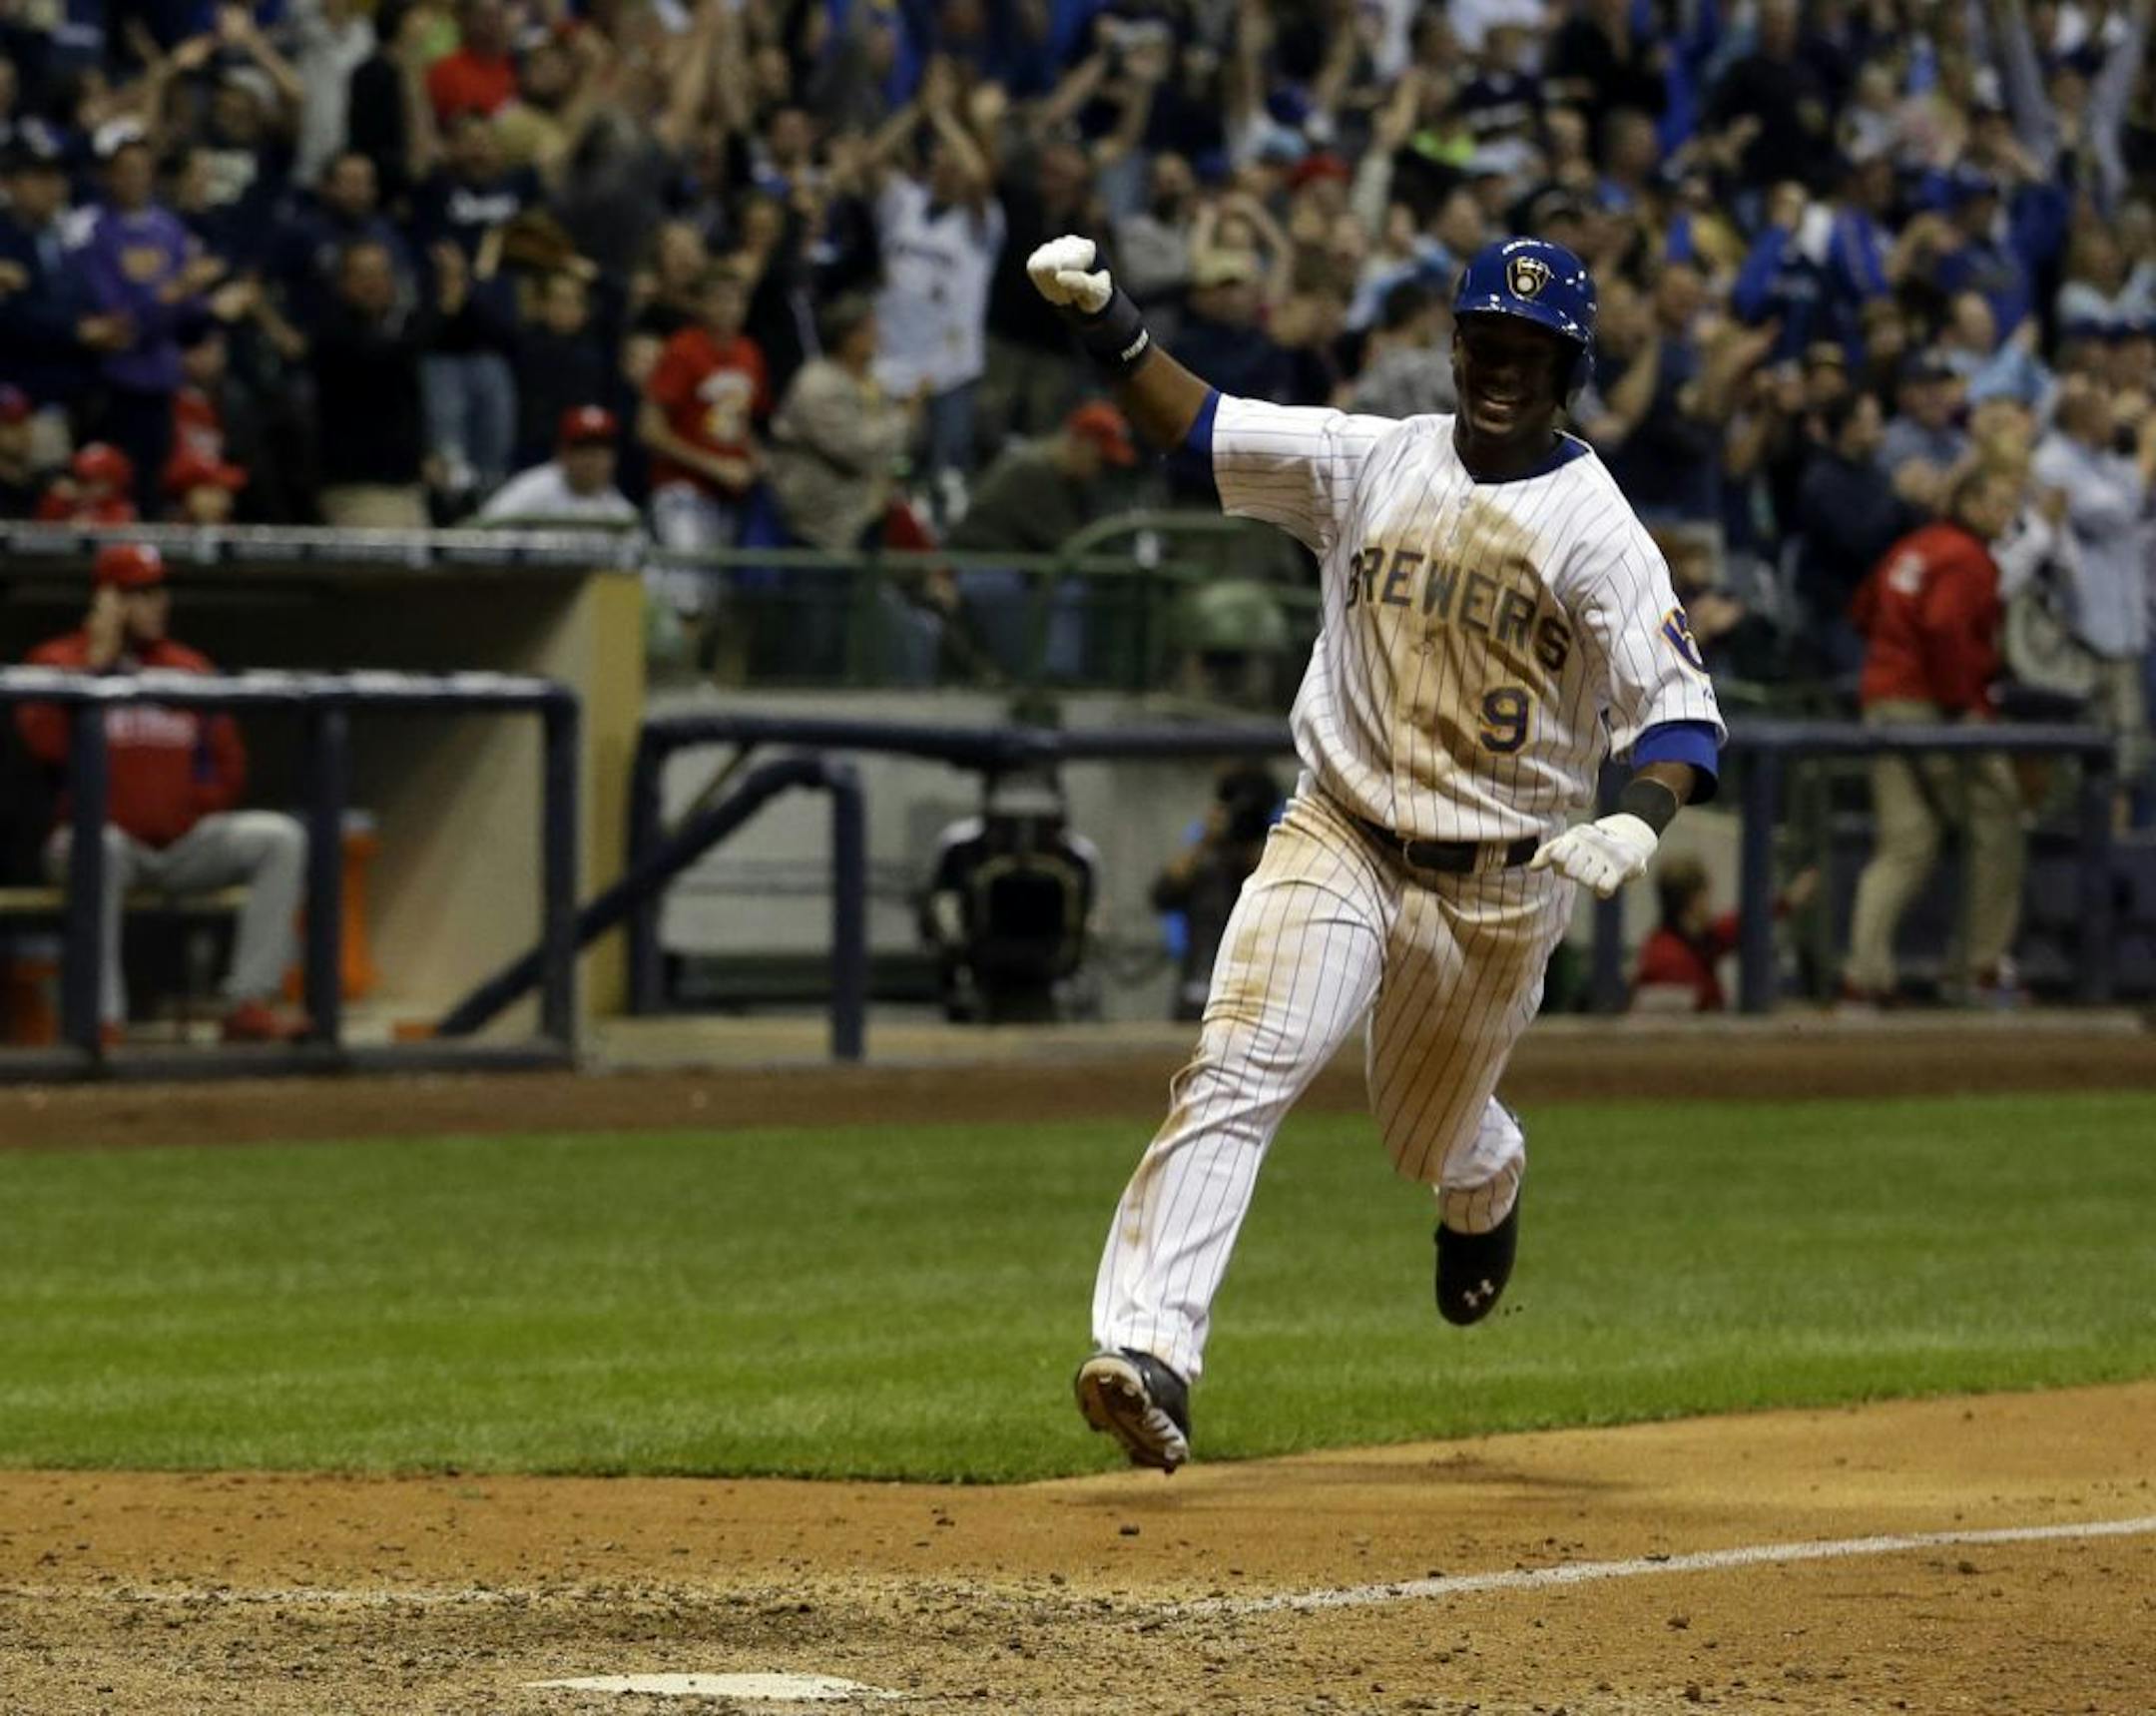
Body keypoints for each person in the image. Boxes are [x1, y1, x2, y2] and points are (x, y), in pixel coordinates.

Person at [1027, 232, 1724, 1470]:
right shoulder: (1372, 459)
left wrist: (1641, 813)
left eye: (1533, 353)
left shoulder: (1596, 528)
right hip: (1339, 832)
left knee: (1423, 1139)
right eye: (1486, 344)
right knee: (1241, 1063)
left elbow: (1678, 711)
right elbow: (1200, 429)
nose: (1503, 369)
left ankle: (1489, 1172)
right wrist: (1109, 319)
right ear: (1455, 345)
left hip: (1496, 891)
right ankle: (1148, 1354)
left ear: (1571, 371)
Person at [14, 543, 309, 1046]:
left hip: (180, 844)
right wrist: (96, 664)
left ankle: (248, 1004)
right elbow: (43, 745)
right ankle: (101, 1019)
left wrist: (188, 808)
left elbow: (229, 762)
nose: (158, 603)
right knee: (97, 845)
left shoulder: (187, 666)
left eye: (159, 591)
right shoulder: (55, 660)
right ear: (107, 600)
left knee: (280, 838)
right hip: (96, 843)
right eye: (140, 593)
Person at [1842, 462, 2029, 1006]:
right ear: (1966, 502)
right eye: (1994, 501)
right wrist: (1961, 703)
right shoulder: (1968, 557)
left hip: (1881, 701)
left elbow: (1862, 612)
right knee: (1998, 821)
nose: (2004, 513)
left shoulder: (1916, 545)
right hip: (1930, 707)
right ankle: (1977, 966)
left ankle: (1864, 974)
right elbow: (1945, 627)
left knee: (1908, 842)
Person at [919, 771, 1099, 1025]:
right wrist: (954, 949)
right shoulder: (960, 849)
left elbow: (1087, 915)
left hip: (1051, 963)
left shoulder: (1077, 857)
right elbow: (943, 909)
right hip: (980, 963)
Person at [639, 264, 768, 559]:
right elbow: (649, 430)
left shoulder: (749, 353)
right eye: (719, 299)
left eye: (737, 299)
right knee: (688, 589)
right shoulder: (682, 350)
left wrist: (756, 457)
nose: (729, 308)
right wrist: (714, 466)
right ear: (700, 304)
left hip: (729, 494)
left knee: (717, 596)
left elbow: (739, 420)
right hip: (682, 488)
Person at [1151, 764, 1285, 1022]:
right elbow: (1161, 895)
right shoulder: (1206, 860)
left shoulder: (1278, 859)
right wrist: (1205, 842)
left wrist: (1261, 854)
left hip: (1262, 996)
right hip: (1201, 990)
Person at [1630, 857, 1818, 1012]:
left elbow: (1740, 924)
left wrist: (1787, 900)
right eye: (1706, 895)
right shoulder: (1666, 956)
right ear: (1694, 900)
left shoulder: (1697, 939)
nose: (1711, 903)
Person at [478, 405, 639, 527]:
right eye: (582, 449)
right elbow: (479, 534)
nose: (592, 460)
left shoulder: (620, 512)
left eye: (600, 450)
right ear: (562, 453)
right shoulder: (532, 489)